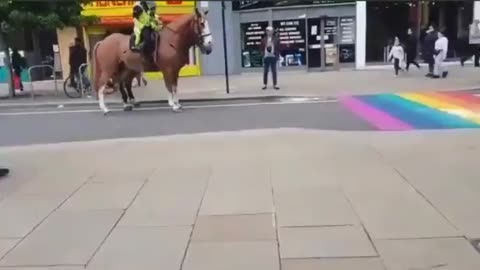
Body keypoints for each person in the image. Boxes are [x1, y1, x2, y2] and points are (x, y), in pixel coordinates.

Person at [260, 26, 281, 90]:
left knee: (274, 71)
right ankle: (265, 84)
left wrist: (277, 55)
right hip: (266, 57)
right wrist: (263, 55)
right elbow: (261, 48)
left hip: (273, 57)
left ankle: (275, 84)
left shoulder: (276, 39)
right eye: (267, 31)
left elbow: (278, 48)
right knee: (265, 71)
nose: (268, 32)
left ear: (272, 31)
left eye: (269, 31)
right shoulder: (263, 39)